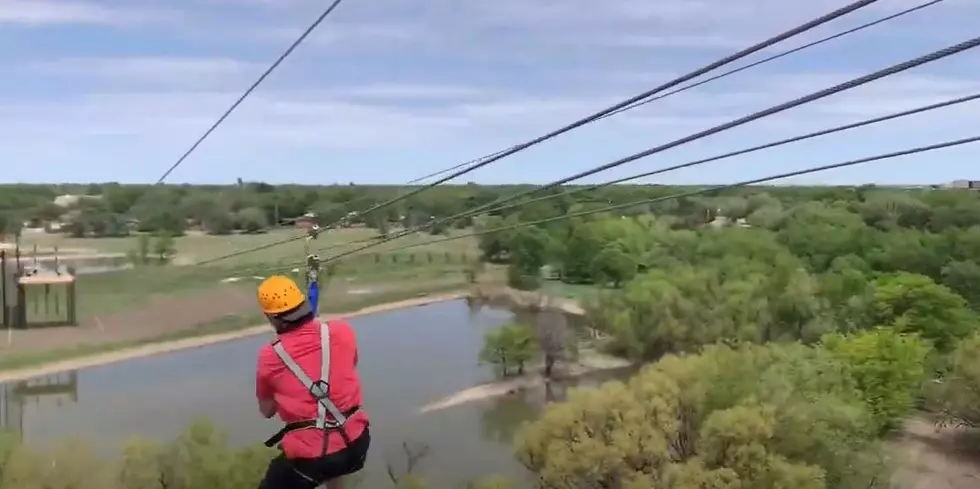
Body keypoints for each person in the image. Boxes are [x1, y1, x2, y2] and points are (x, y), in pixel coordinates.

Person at [255, 274, 370, 489]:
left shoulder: (270, 356)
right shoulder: (342, 331)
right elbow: (348, 367)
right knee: (331, 459)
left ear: (271, 318)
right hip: (357, 445)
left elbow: (267, 410)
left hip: (311, 461)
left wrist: (291, 393)